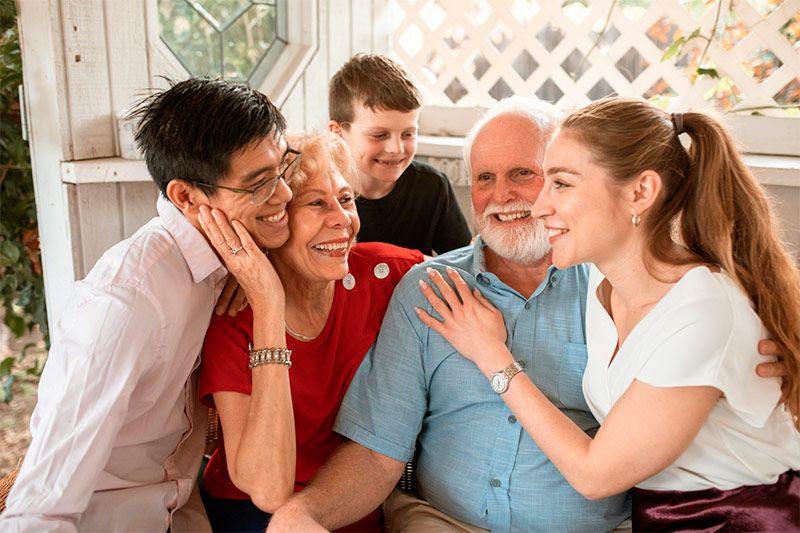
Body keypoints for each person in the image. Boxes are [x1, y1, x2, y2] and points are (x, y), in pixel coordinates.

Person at [266, 96, 790, 532]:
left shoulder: (622, 288)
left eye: (532, 176)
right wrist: (305, 511)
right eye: (484, 179)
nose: (509, 198)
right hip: (443, 522)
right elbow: (379, 453)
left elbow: (600, 470)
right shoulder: (431, 287)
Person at [417, 97, 800, 531]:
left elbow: (594, 475)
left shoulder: (702, 312)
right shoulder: (604, 289)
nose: (540, 206)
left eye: (560, 183)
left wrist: (492, 355)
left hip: (740, 521)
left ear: (640, 192)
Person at [0, 78, 295, 531]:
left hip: (184, 512)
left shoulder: (228, 259)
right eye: (259, 185)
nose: (285, 195)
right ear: (185, 197)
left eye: (282, 168)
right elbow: (40, 510)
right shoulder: (124, 304)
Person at [197, 132, 425, 532]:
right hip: (253, 514)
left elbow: (477, 268)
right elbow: (267, 490)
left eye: (346, 199)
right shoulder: (234, 317)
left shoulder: (383, 275)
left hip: (349, 502)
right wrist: (269, 304)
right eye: (317, 203)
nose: (342, 219)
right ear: (275, 221)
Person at [328, 53, 471, 255]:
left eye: (408, 134)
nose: (396, 148)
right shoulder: (320, 192)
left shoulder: (432, 187)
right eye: (379, 135)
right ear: (337, 132)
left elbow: (463, 261)